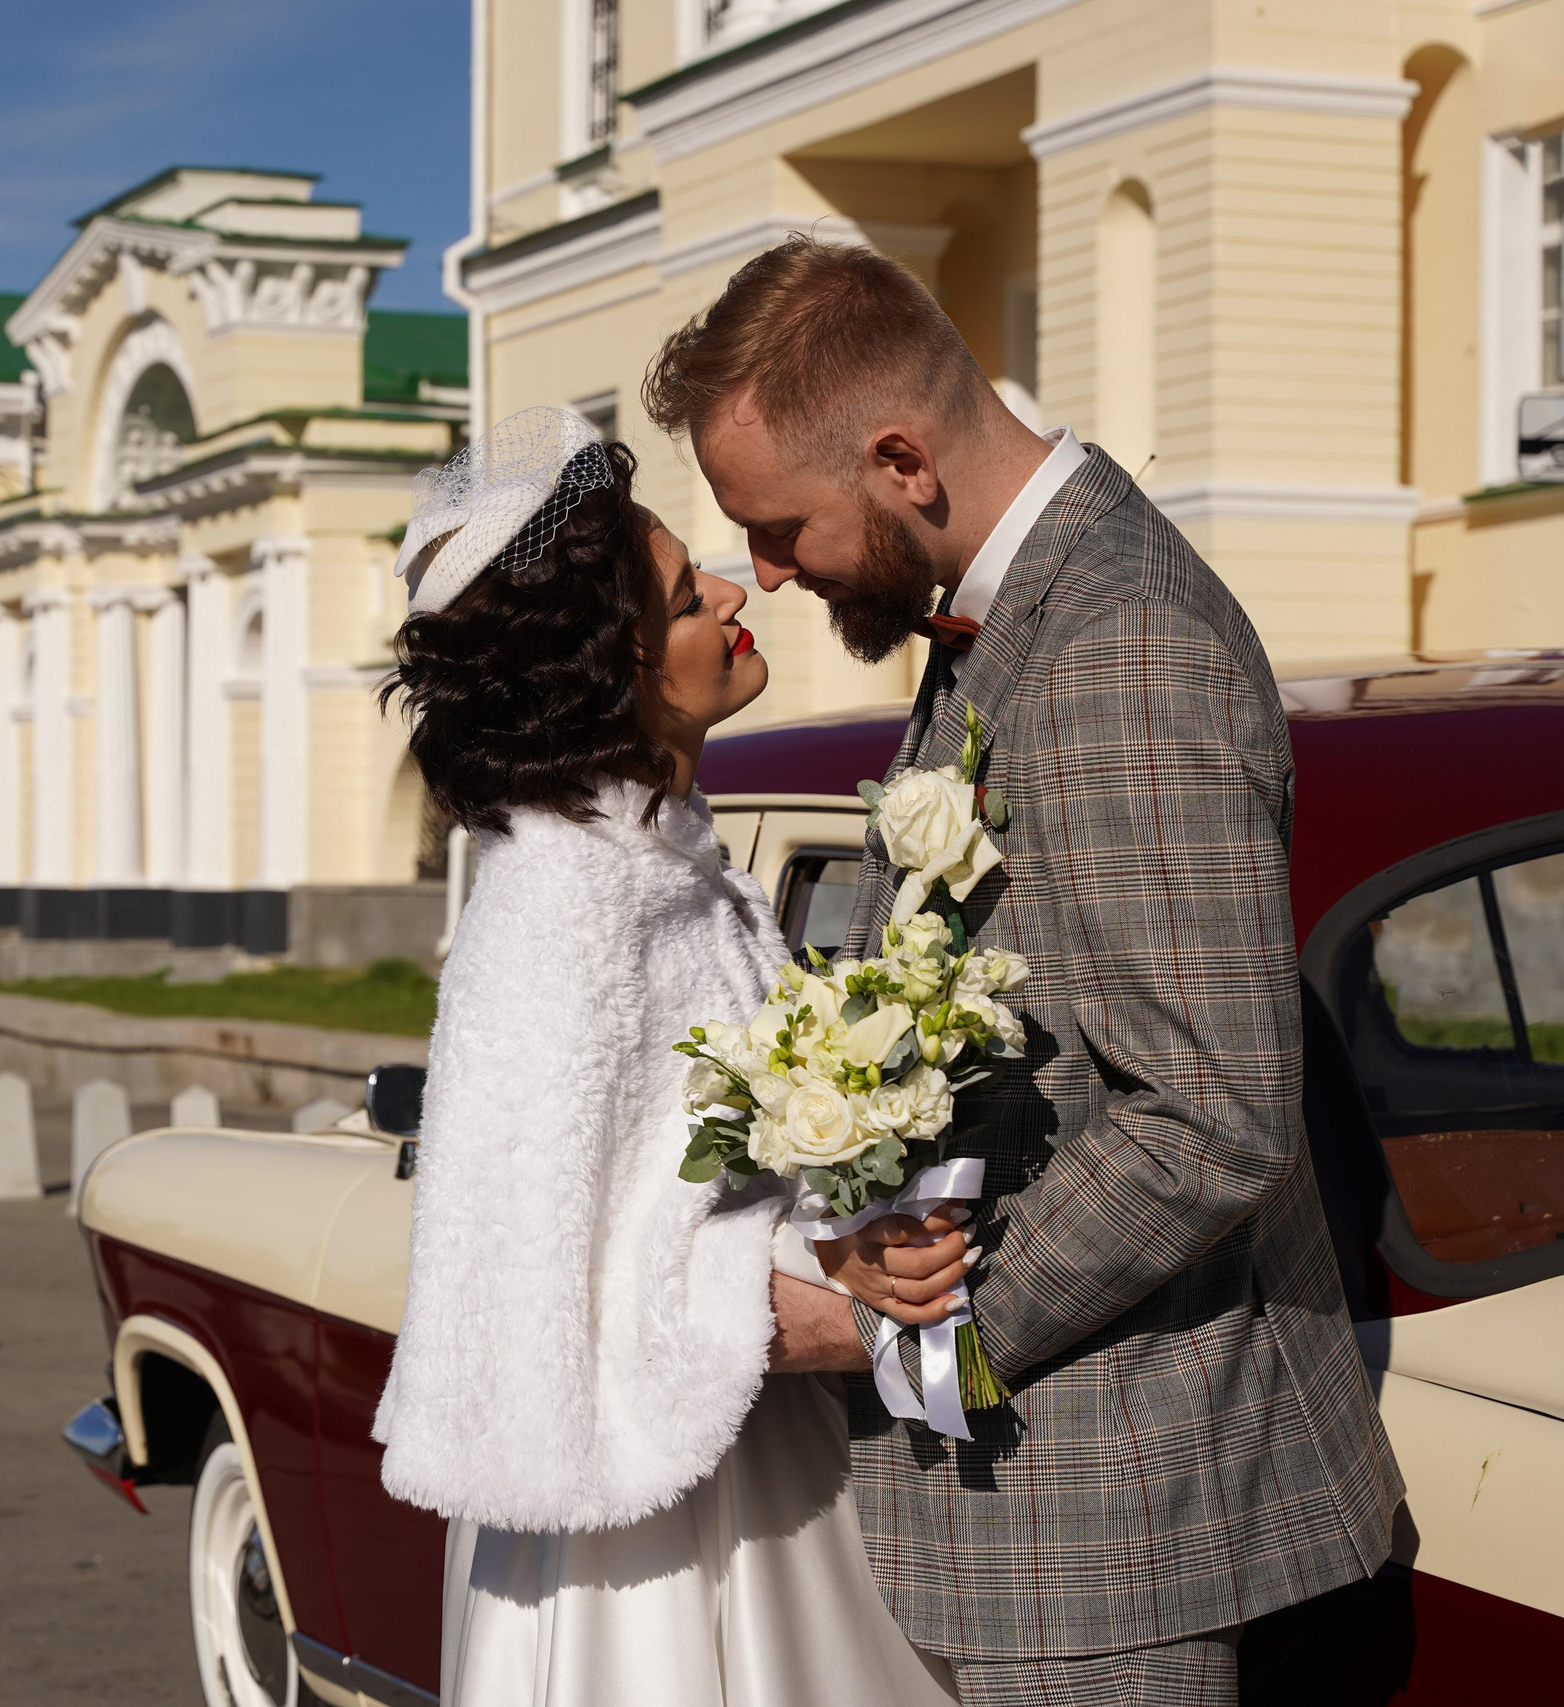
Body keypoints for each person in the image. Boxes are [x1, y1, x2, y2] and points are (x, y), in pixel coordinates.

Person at [642, 236, 1406, 1706]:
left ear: (901, 459)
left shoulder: (1118, 643)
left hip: (1117, 1517)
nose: (769, 574)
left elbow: (1215, 1111)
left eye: (785, 527)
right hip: (1061, 1504)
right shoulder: (1011, 609)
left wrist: (894, 1326)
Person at [373, 405, 955, 1706]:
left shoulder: (675, 864)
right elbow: (536, 1285)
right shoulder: (559, 908)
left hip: (758, 1458)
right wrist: (835, 1284)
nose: (742, 591)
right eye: (695, 596)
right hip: (640, 1531)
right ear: (616, 669)